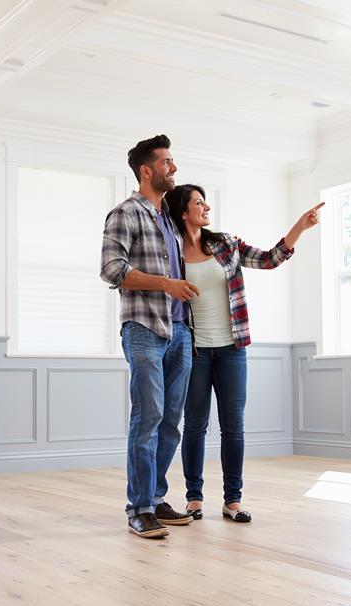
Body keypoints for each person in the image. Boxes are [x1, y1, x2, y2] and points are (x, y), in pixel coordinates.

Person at [165, 184, 323, 523]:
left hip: (231, 349)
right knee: (194, 425)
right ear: (183, 212)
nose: (206, 208)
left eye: (205, 202)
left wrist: (299, 228)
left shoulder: (225, 245)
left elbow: (268, 260)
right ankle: (194, 499)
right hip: (193, 350)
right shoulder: (171, 252)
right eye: (198, 203)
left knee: (233, 427)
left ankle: (232, 501)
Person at [100, 135, 202, 539]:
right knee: (148, 418)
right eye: (167, 162)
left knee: (171, 423)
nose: (173, 167)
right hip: (144, 328)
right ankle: (139, 507)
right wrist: (165, 284)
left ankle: (156, 498)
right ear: (147, 169)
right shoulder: (125, 214)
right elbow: (111, 269)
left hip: (180, 330)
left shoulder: (170, 222)